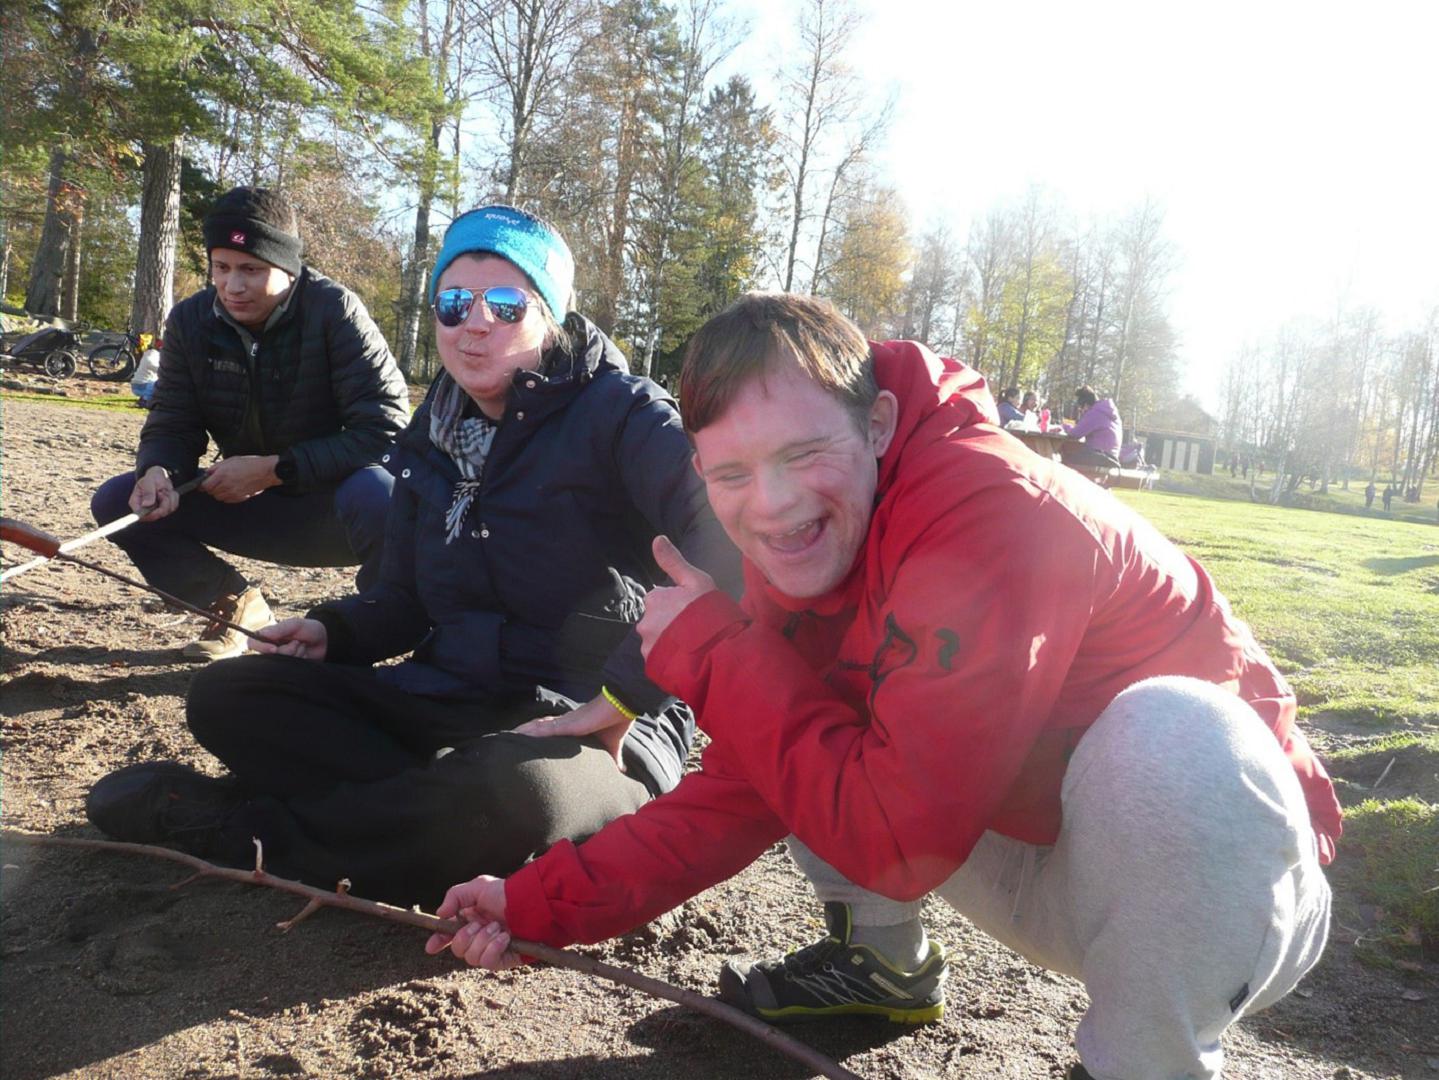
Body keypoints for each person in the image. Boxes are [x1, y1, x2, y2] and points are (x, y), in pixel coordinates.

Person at [426, 293, 1342, 1080]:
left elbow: (898, 835)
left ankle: (1142, 1064)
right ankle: (880, 968)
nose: (773, 505)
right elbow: (742, 789)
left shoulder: (995, 512)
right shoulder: (801, 557)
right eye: (733, 474)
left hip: (1224, 890)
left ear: (876, 427)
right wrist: (531, 901)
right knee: (797, 710)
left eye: (801, 454)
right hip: (1024, 840)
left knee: (1172, 734)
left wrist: (715, 654)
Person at [84, 204, 740, 907]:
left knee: (524, 792)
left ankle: (242, 834)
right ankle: (415, 821)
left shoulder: (624, 415)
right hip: (449, 699)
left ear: (548, 314)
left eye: (506, 303)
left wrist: (623, 697)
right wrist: (333, 631)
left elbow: (733, 544)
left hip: (589, 723)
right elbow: (401, 600)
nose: (475, 323)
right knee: (231, 696)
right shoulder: (435, 431)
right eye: (453, 303)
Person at [90, 187, 408, 660]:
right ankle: (235, 606)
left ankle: (372, 629)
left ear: (288, 267)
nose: (233, 286)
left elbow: (386, 430)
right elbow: (174, 419)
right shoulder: (190, 321)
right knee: (121, 501)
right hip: (248, 503)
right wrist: (158, 469)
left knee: (384, 494)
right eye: (222, 268)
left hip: (339, 511)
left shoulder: (335, 311)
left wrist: (275, 468)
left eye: (251, 269)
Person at [1060, 385, 1122, 470]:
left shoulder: (1095, 412)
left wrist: (1064, 425)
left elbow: (1075, 434)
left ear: (1085, 404)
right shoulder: (1106, 410)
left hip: (1100, 456)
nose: (1081, 411)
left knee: (1064, 460)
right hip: (1111, 456)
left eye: (1081, 407)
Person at [130, 334, 161, 408]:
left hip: (136, 385)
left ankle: (144, 398)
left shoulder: (147, 353)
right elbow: (151, 364)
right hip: (142, 385)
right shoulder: (153, 354)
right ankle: (145, 400)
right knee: (159, 384)